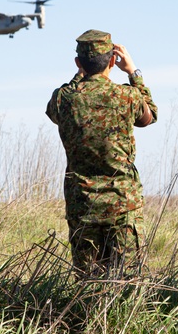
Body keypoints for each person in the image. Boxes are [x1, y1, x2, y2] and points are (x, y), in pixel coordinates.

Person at [46, 29, 158, 278]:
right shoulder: (127, 96)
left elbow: (54, 112)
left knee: (87, 280)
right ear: (111, 61)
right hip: (123, 204)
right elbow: (149, 116)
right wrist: (133, 73)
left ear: (78, 64)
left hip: (82, 204)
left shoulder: (63, 99)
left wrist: (79, 76)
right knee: (128, 279)